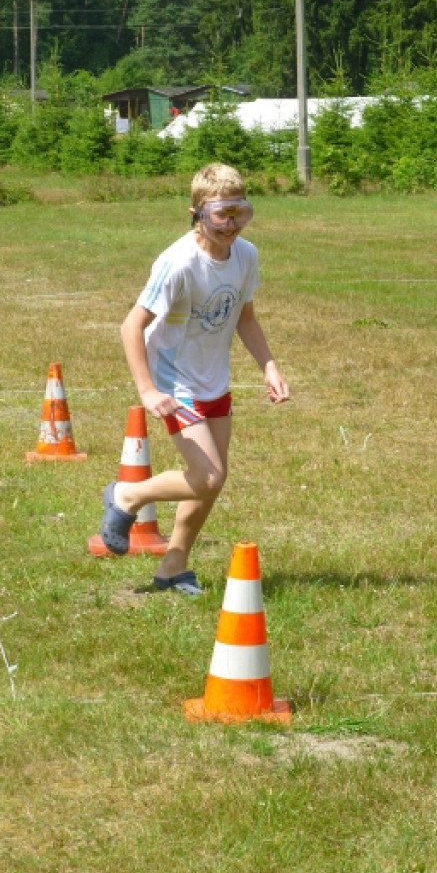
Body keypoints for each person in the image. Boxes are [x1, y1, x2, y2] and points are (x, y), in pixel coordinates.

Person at [99, 162, 289, 594]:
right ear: (197, 213)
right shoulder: (177, 262)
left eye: (239, 212)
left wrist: (269, 366)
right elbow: (132, 326)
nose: (231, 224)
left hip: (213, 379)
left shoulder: (246, 256)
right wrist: (147, 390)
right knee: (207, 476)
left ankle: (173, 565)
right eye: (221, 214)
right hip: (173, 378)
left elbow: (246, 319)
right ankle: (127, 496)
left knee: (211, 479)